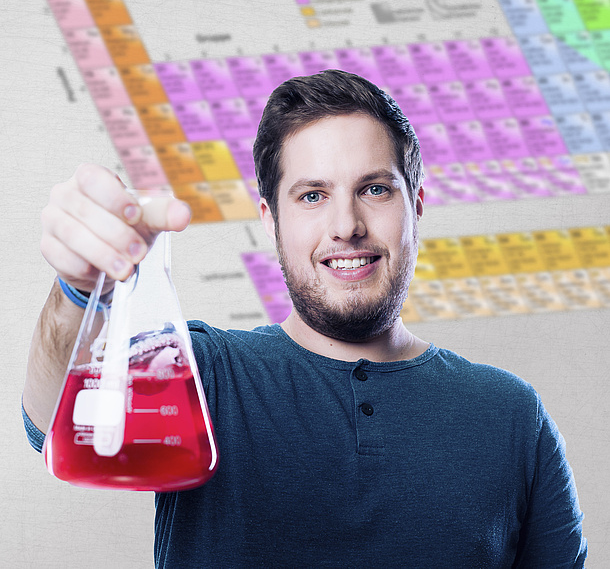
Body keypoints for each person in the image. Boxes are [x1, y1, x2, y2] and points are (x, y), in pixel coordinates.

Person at [23, 70, 587, 567]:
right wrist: (79, 289)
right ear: (271, 222)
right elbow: (53, 422)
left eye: (374, 189)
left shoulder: (512, 417)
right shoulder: (204, 377)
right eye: (313, 195)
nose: (346, 224)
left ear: (416, 206)